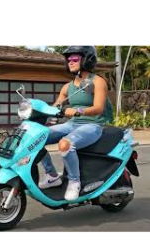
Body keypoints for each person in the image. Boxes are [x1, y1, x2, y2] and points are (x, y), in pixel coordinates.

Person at [37, 46, 115, 201]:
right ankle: (52, 175)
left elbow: (98, 108)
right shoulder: (67, 87)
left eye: (75, 59)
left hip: (92, 125)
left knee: (65, 144)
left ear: (86, 60)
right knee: (36, 138)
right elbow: (56, 106)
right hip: (72, 124)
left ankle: (74, 181)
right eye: (68, 59)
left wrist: (78, 110)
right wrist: (35, 110)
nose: (70, 62)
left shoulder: (98, 82)